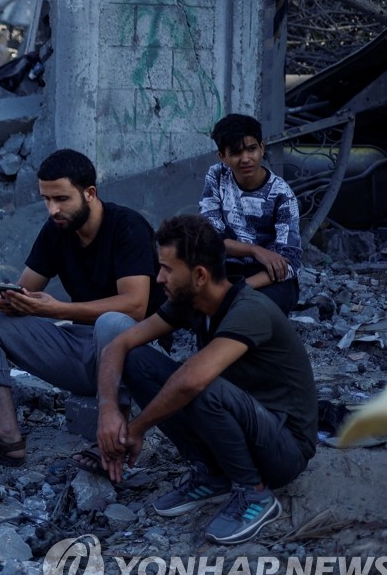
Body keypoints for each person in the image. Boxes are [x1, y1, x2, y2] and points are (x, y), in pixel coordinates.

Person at [96, 215, 317, 545]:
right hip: (242, 425)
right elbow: (119, 344)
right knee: (138, 360)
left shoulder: (250, 309)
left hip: (284, 448)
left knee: (199, 382)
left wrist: (137, 429)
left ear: (199, 275)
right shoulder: (191, 303)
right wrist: (108, 412)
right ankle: (214, 474)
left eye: (167, 269)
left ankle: (255, 494)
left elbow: (192, 381)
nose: (159, 278)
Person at [0, 149, 162, 469]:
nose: (52, 209)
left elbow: (136, 306)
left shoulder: (127, 226)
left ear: (90, 193)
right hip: (77, 349)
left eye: (61, 199)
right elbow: (27, 288)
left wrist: (58, 310)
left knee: (111, 322)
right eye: (46, 199)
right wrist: (15, 301)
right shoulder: (56, 230)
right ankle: (6, 436)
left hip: (131, 353)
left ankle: (114, 434)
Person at [199, 113, 302, 314]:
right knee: (190, 289)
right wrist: (255, 250)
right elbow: (210, 239)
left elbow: (291, 262)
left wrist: (237, 290)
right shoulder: (217, 176)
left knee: (253, 309)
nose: (246, 158)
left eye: (252, 149)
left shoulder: (282, 194)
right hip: (225, 268)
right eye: (236, 152)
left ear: (262, 148)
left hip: (266, 277)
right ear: (223, 157)